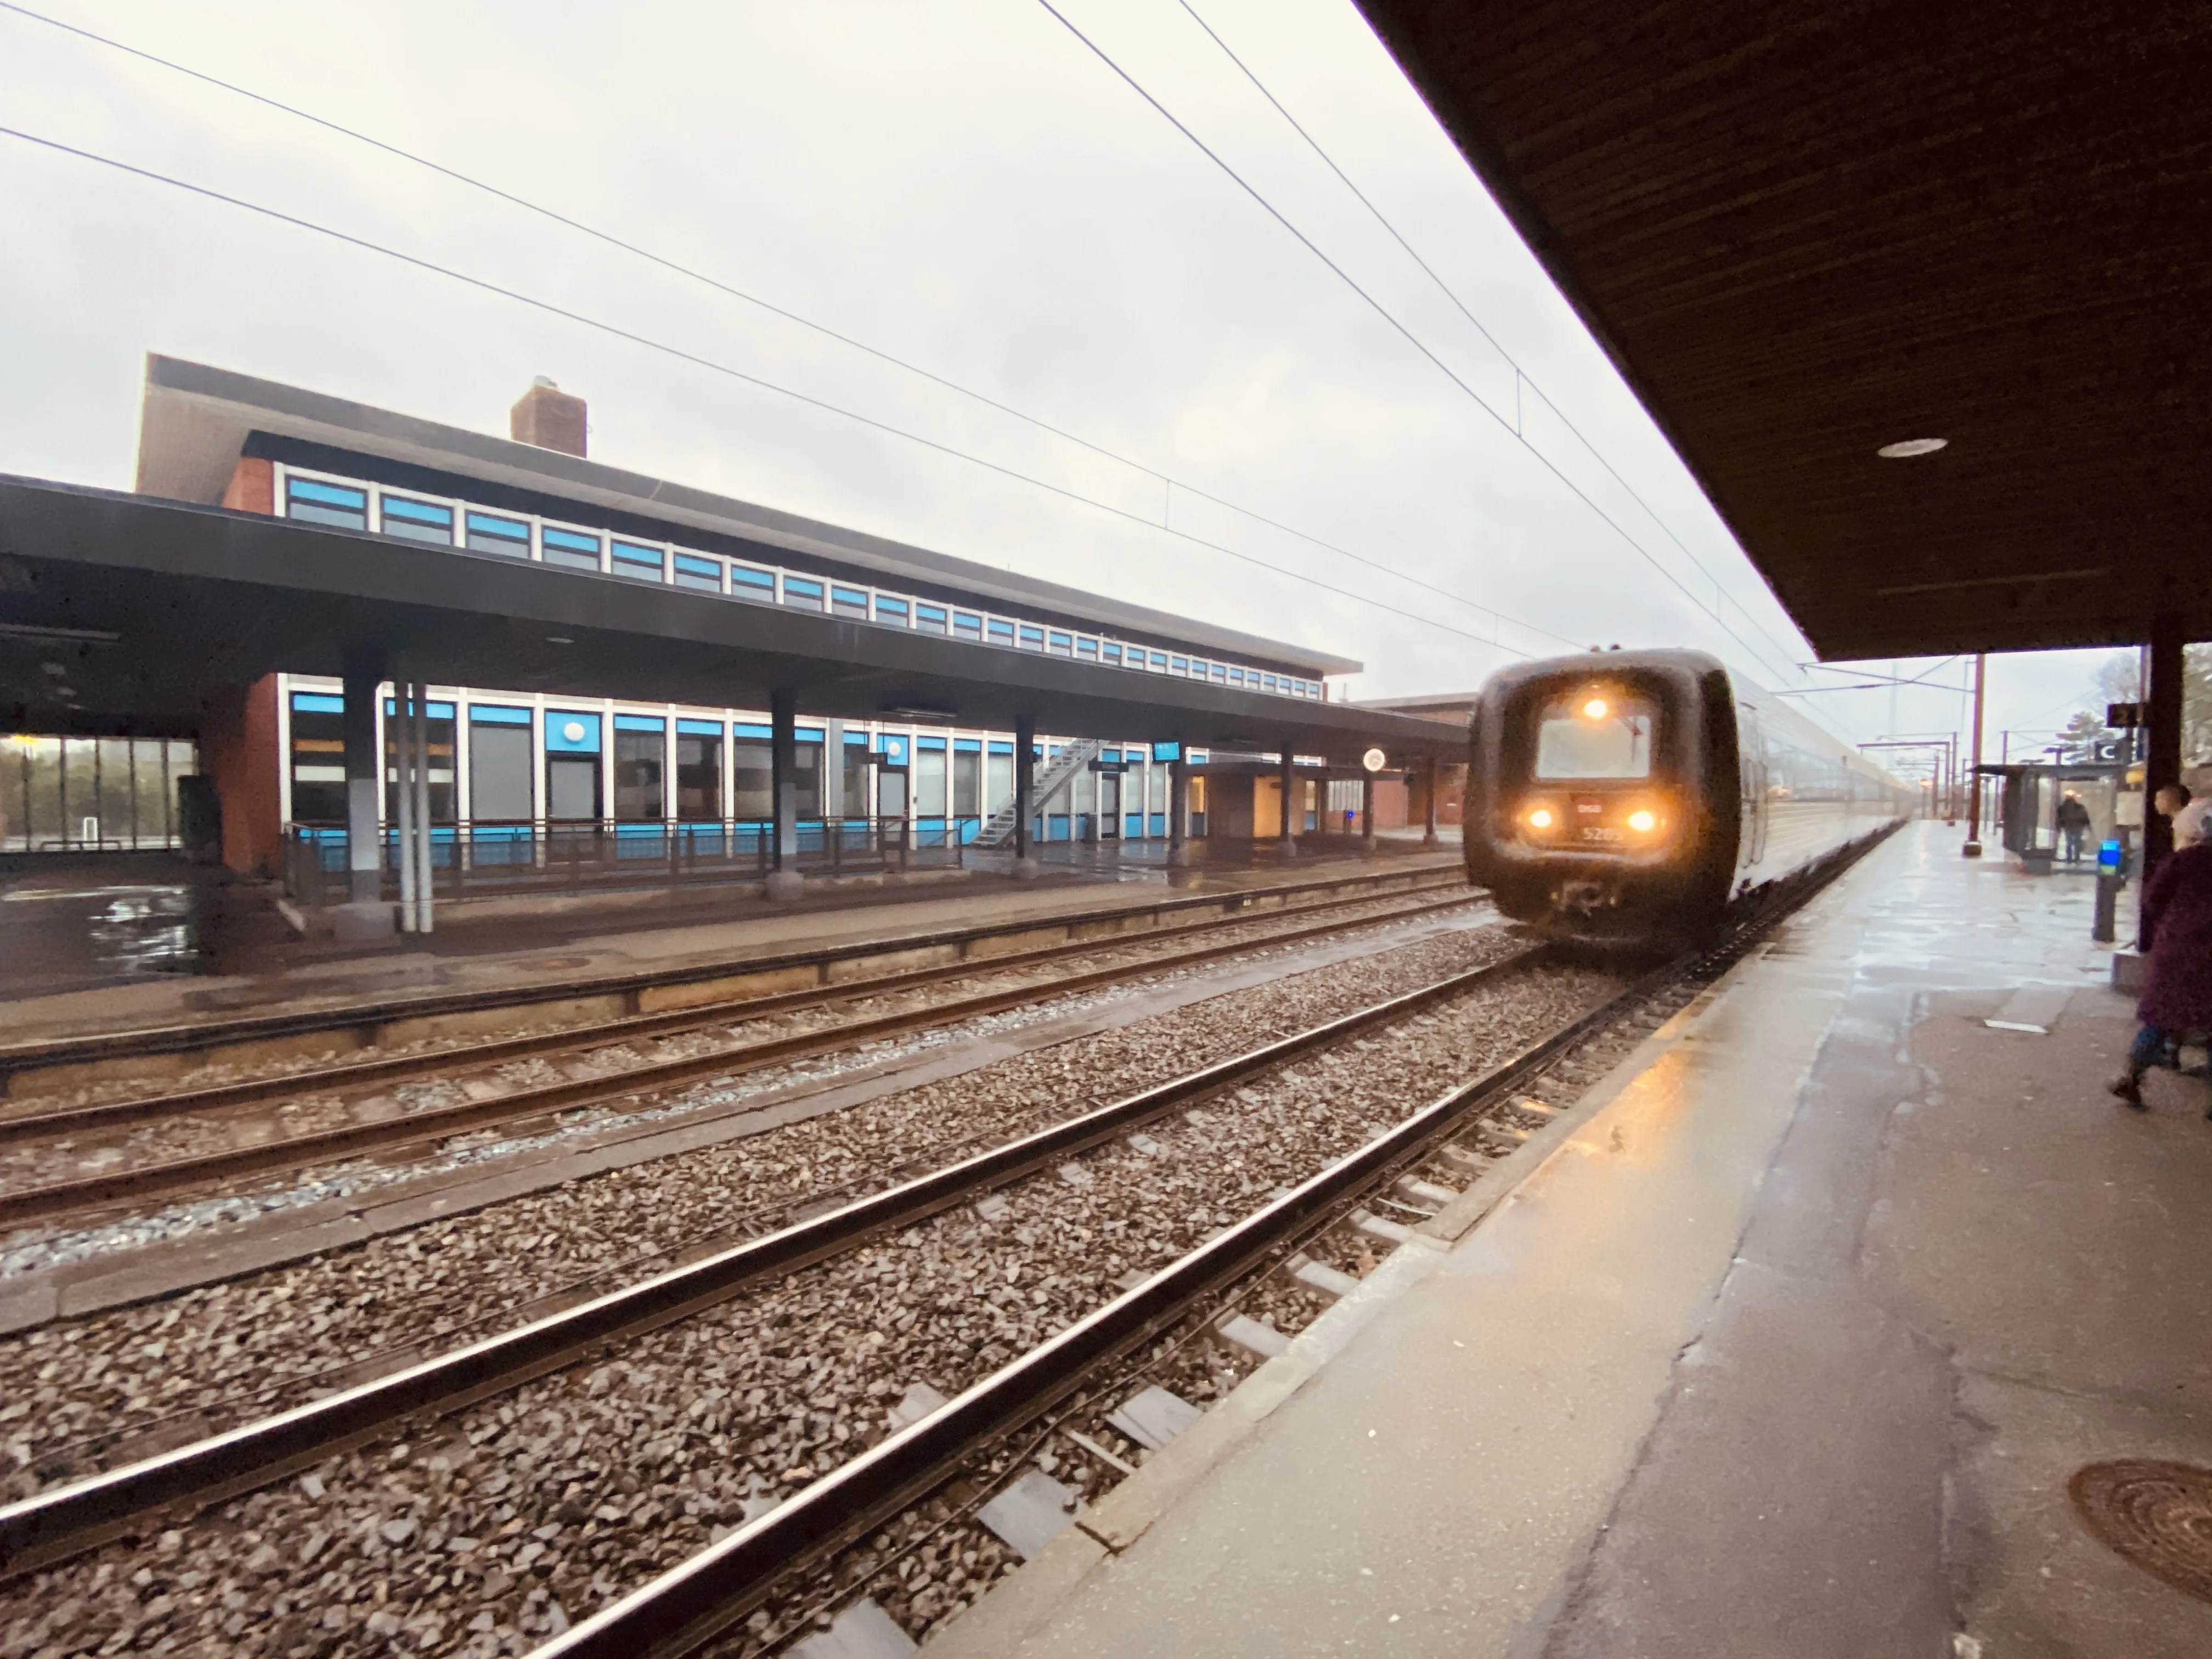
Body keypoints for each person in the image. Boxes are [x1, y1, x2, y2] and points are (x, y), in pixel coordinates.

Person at [2112, 804, 2212, 1108]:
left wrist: (2170, 925)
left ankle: (2133, 1078)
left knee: (2160, 1017)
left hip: (2178, 947)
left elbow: (2152, 900)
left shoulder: (2183, 861)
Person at [2056, 791, 2092, 862]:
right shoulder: (2079, 807)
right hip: (2078, 827)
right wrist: (2088, 826)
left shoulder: (2062, 808)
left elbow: (2059, 818)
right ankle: (2077, 858)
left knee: (2069, 843)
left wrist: (2059, 827)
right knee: (2077, 843)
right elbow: (2085, 817)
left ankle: (2069, 858)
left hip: (2068, 827)